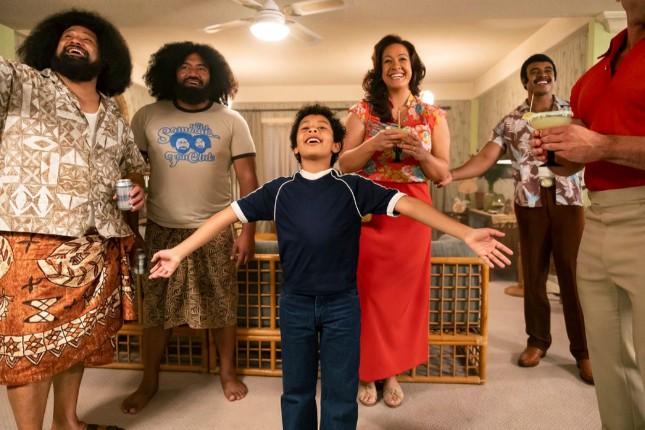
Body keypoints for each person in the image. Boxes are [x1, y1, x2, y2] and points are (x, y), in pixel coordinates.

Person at [146, 103, 512, 430]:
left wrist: (466, 233)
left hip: (342, 305)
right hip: (295, 305)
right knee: (297, 392)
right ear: (295, 147)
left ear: (337, 145)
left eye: (322, 127)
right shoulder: (278, 190)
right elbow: (225, 216)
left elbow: (410, 205)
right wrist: (178, 251)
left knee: (340, 392)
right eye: (305, 128)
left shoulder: (354, 187)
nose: (313, 130)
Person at [0, 9, 146, 430]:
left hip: (98, 242)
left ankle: (68, 422)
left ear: (105, 57)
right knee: (28, 348)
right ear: (51, 46)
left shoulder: (115, 115)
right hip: (31, 236)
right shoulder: (22, 83)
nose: (75, 40)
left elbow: (131, 168)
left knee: (77, 337)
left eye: (87, 38)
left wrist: (137, 192)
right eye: (67, 36)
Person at [121, 41, 258, 414]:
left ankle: (227, 373)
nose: (193, 73)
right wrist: (132, 233)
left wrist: (247, 231)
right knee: (156, 311)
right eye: (185, 66)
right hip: (161, 229)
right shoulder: (147, 117)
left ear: (213, 76)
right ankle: (149, 380)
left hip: (216, 229)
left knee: (222, 306)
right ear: (171, 72)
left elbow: (249, 181)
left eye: (201, 67)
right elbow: (133, 178)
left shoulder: (231, 120)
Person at [437, 54, 592, 383]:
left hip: (568, 201)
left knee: (572, 274)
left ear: (554, 78)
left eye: (547, 71)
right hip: (529, 203)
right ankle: (537, 342)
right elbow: (485, 157)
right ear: (525, 81)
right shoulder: (510, 122)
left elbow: (590, 149)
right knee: (533, 274)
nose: (542, 75)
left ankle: (584, 352)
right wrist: (452, 174)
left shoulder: (573, 115)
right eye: (534, 72)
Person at [531, 0, 645, 426]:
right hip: (599, 218)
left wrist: (603, 145)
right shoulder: (595, 73)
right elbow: (575, 163)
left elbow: (599, 146)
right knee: (611, 364)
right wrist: (557, 153)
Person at [337, 34, 451, 407]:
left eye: (402, 59)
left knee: (403, 298)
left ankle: (392, 373)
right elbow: (344, 163)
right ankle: (365, 371)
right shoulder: (361, 112)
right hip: (370, 209)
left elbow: (442, 173)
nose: (395, 66)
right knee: (368, 293)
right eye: (387, 60)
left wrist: (422, 153)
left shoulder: (433, 116)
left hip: (413, 212)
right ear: (379, 69)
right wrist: (372, 144)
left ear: (413, 67)